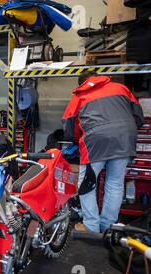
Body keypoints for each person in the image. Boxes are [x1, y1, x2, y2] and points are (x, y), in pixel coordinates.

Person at [62, 71, 144, 233]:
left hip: (95, 142)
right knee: (115, 183)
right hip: (125, 139)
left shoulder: (80, 95)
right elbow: (139, 117)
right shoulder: (121, 88)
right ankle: (108, 227)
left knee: (87, 184)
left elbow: (69, 130)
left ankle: (91, 226)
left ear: (82, 83)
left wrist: (79, 139)